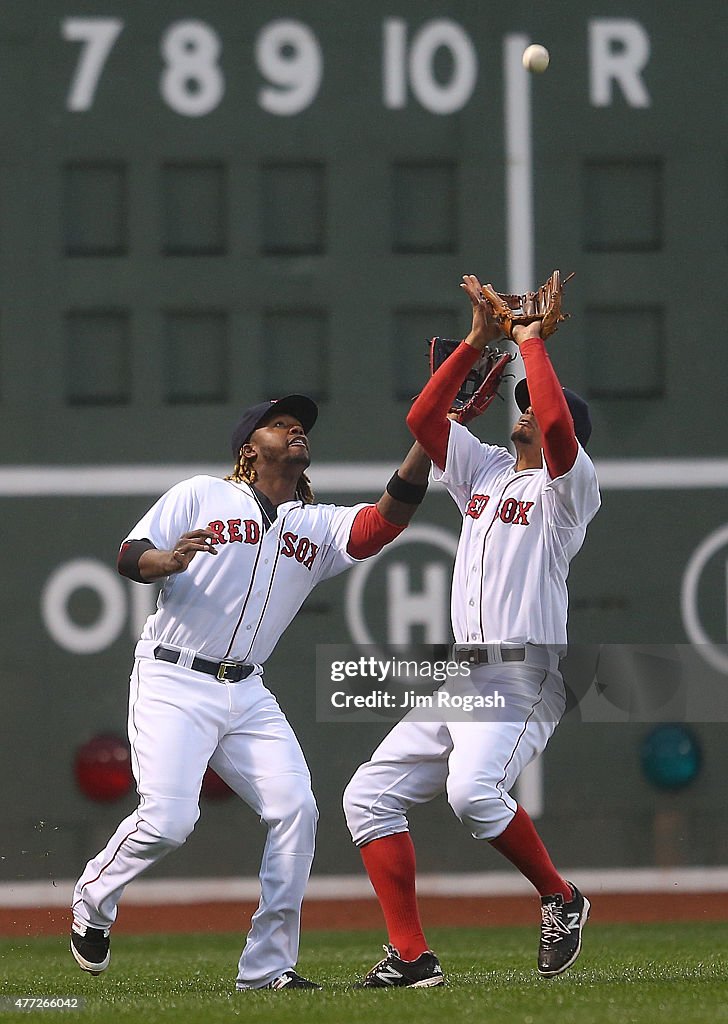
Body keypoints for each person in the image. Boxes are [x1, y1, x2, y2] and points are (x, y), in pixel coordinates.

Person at [70, 394, 431, 991]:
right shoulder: (201, 494)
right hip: (174, 677)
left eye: (301, 426)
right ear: (248, 448)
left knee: (297, 810)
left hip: (248, 690)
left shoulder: (316, 524)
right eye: (279, 424)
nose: (295, 429)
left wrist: (431, 440)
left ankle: (266, 969)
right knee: (168, 821)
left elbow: (382, 523)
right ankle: (93, 898)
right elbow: (129, 554)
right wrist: (165, 560)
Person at [344, 275, 601, 987]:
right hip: (467, 678)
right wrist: (478, 342)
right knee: (368, 796)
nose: (525, 411)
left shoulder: (568, 490)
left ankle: (561, 897)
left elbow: (556, 429)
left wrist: (529, 342)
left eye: (533, 402)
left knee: (472, 794)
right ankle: (410, 956)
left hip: (527, 675)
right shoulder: (484, 470)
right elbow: (425, 422)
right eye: (519, 403)